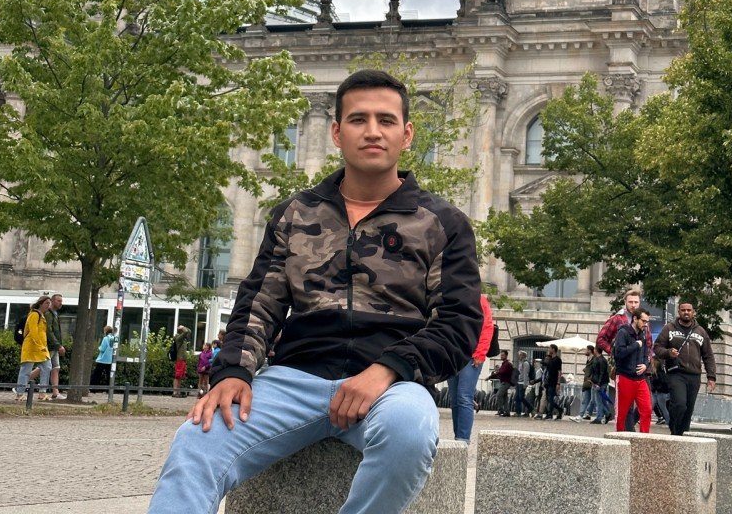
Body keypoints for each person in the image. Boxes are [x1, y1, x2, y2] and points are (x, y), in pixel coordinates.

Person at [148, 70, 482, 514]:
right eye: (359, 119)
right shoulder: (296, 213)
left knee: (409, 432)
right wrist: (233, 371)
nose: (373, 131)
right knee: (197, 438)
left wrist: (387, 370)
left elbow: (459, 322)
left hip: (393, 386)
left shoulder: (442, 222)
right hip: (294, 380)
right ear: (336, 132)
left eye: (385, 120)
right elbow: (259, 303)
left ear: (407, 134)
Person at [654, 299, 716, 436]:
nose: (686, 312)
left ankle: (684, 435)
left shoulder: (701, 331)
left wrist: (711, 376)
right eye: (683, 310)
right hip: (676, 373)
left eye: (689, 310)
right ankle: (675, 432)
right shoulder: (669, 328)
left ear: (693, 312)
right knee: (680, 404)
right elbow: (657, 348)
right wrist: (668, 353)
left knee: (688, 409)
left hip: (694, 375)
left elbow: (708, 356)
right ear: (679, 312)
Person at [596, 287, 652, 429]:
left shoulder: (644, 320)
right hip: (623, 368)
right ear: (625, 302)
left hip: (641, 369)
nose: (633, 305)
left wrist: (647, 363)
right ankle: (628, 431)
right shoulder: (617, 319)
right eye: (630, 302)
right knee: (625, 407)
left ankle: (633, 429)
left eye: (636, 302)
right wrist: (614, 352)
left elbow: (649, 345)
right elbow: (601, 339)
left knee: (646, 405)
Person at [447, 293, 494, 441]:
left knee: (464, 396)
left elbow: (487, 327)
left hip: (471, 355)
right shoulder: (451, 297)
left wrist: (480, 352)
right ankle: (458, 438)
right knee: (455, 398)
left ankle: (463, 439)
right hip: (453, 354)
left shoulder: (479, 299)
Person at [613, 308, 653, 433]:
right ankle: (619, 436)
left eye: (647, 321)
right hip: (625, 376)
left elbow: (647, 353)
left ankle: (644, 438)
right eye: (643, 321)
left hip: (640, 378)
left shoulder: (643, 334)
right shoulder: (623, 332)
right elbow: (619, 353)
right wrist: (635, 345)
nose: (645, 324)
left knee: (647, 409)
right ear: (635, 318)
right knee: (622, 412)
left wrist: (646, 365)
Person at [14, 295, 52, 402]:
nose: (48, 305)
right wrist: (40, 346)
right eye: (46, 303)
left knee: (47, 367)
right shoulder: (34, 314)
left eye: (49, 303)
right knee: (26, 370)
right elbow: (33, 332)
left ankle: (42, 393)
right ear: (40, 303)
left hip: (40, 348)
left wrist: (43, 346)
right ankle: (19, 394)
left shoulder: (41, 315)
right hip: (31, 347)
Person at [45, 292, 66, 399]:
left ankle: (55, 392)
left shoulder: (55, 313)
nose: (61, 303)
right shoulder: (49, 314)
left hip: (54, 346)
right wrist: (58, 345)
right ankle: (21, 384)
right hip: (50, 346)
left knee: (56, 368)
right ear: (52, 301)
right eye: (58, 301)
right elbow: (49, 331)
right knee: (44, 367)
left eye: (61, 301)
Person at [570, 345, 595, 422]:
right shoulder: (589, 360)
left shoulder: (594, 360)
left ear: (590, 350)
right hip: (588, 382)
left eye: (586, 350)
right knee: (590, 400)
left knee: (589, 400)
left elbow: (594, 370)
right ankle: (587, 414)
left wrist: (590, 379)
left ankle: (581, 415)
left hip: (590, 382)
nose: (585, 351)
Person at [487, 349, 514, 417]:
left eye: (503, 355)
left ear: (506, 355)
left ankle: (501, 410)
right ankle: (506, 412)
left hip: (506, 383)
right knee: (504, 397)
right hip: (504, 382)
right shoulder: (504, 364)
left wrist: (490, 376)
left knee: (498, 395)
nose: (501, 356)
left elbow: (501, 372)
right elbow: (500, 372)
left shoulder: (507, 364)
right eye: (501, 355)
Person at [589, 346, 611, 425]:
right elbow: (594, 371)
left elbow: (602, 373)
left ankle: (599, 417)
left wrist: (598, 383)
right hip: (596, 382)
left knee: (598, 401)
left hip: (600, 383)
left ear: (596, 350)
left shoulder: (602, 360)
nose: (593, 350)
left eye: (594, 349)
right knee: (599, 401)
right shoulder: (597, 359)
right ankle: (607, 414)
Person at [89, 325, 114, 391]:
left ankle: (93, 389)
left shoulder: (105, 338)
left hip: (102, 359)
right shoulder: (113, 338)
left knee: (97, 374)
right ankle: (109, 390)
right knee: (109, 375)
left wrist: (99, 348)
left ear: (106, 331)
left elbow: (102, 349)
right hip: (110, 360)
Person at [543, 344, 563, 419]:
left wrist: (558, 383)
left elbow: (559, 371)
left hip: (554, 381)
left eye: (550, 348)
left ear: (553, 349)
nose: (549, 349)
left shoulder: (558, 360)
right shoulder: (551, 359)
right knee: (549, 399)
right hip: (549, 381)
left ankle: (549, 414)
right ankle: (560, 409)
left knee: (551, 398)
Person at [172, 324, 191, 397]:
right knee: (177, 376)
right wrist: (183, 327)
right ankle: (175, 392)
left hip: (183, 359)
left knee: (180, 377)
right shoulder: (178, 338)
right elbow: (186, 332)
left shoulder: (183, 339)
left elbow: (189, 331)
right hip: (179, 359)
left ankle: (178, 392)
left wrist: (183, 327)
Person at [651, 357, 670, 426]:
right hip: (657, 392)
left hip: (660, 392)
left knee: (663, 408)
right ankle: (668, 422)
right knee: (652, 406)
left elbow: (663, 382)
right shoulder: (658, 372)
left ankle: (669, 422)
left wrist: (656, 387)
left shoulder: (659, 373)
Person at [514, 351, 532, 417]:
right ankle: (518, 412)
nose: (519, 356)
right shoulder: (520, 363)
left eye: (520, 355)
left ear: (524, 356)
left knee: (521, 397)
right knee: (517, 398)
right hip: (518, 382)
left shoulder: (525, 363)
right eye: (519, 355)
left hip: (522, 383)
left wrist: (525, 383)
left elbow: (525, 374)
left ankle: (531, 408)